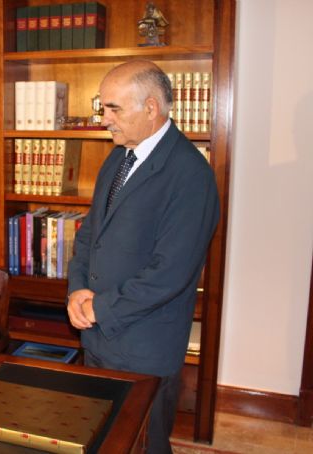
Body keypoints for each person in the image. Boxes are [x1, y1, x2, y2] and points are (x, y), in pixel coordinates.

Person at [67, 60, 219, 454]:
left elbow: (171, 273)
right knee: (100, 438)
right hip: (96, 332)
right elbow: (89, 238)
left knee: (144, 443)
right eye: (103, 108)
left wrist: (100, 307)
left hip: (143, 345)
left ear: (151, 107)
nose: (104, 119)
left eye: (113, 108)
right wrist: (77, 291)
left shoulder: (190, 174)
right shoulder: (118, 158)